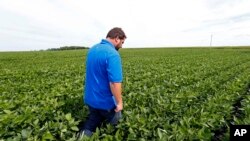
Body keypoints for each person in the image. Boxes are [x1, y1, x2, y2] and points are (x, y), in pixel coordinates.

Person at [77, 27, 126, 139]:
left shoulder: (92, 49)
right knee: (117, 124)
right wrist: (119, 103)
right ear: (117, 38)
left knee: (92, 122)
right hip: (106, 103)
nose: (122, 46)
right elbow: (114, 83)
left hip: (91, 100)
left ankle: (80, 138)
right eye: (122, 42)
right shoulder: (112, 54)